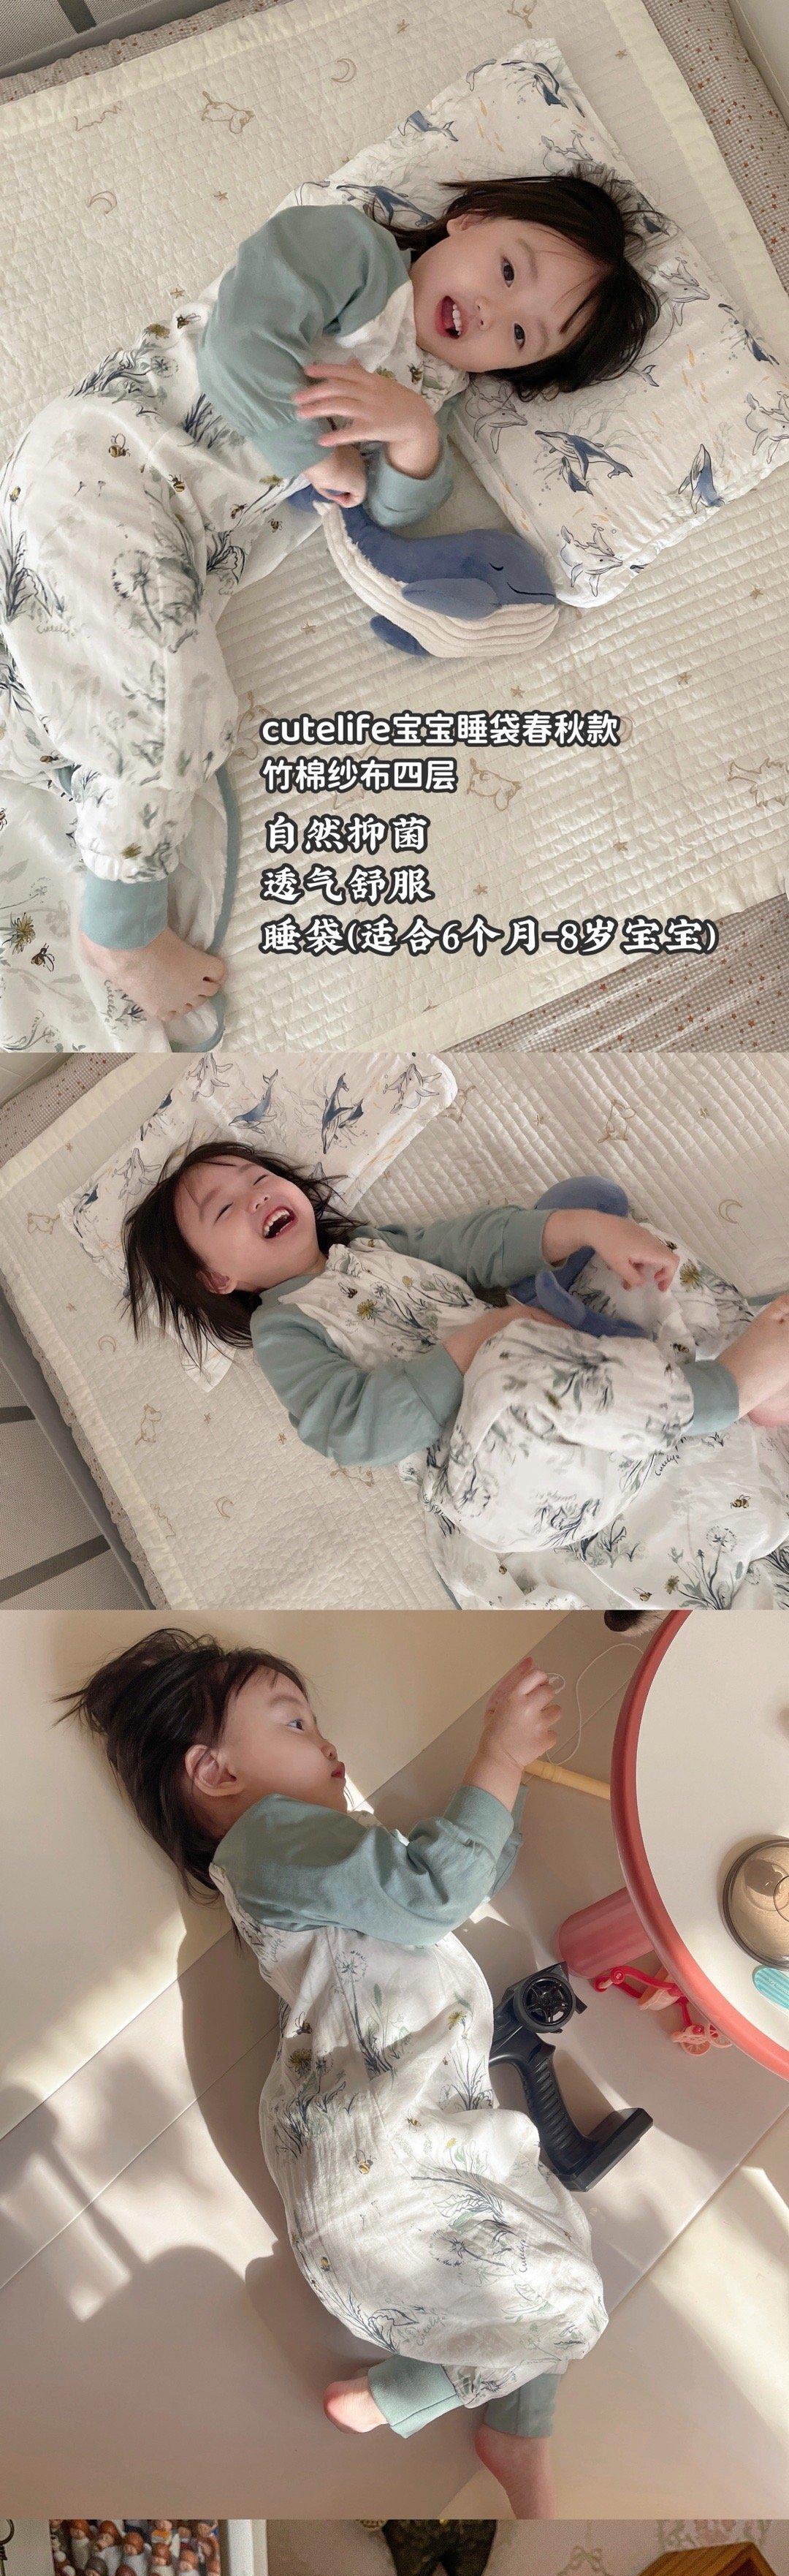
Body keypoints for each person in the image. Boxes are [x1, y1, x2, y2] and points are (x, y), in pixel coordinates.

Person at [0, 175, 655, 1039]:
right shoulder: (352, 253)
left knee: (70, 715)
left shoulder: (425, 390)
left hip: (165, 540)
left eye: (523, 336)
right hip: (114, 464)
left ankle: (93, 843)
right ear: (470, 219)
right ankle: (120, 931)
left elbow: (388, 510)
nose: (493, 313)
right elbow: (242, 342)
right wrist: (310, 452)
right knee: (180, 706)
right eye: (507, 270)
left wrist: (414, 434)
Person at [66, 1626, 609, 2508]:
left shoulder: (311, 1853)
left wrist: (500, 1798)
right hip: (380, 2160)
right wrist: (498, 1759)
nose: (326, 1741)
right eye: (294, 1723)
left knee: (560, 2243)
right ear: (215, 1773)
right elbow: (435, 1891)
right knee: (569, 2301)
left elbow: (437, 1888)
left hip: (421, 2134)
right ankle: (416, 2400)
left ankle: (507, 2425)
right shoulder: (266, 1846)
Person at [121, 1135, 789, 1605]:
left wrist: (589, 1228)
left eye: (257, 1177)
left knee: (637, 1254)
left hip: (580, 1420)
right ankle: (723, 1393)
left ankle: (750, 1365)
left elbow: (481, 1241)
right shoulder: (284, 1329)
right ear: (219, 1278)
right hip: (495, 1482)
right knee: (506, 1363)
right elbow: (354, 1429)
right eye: (224, 1208)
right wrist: (487, 1335)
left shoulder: (377, 1246)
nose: (255, 1195)